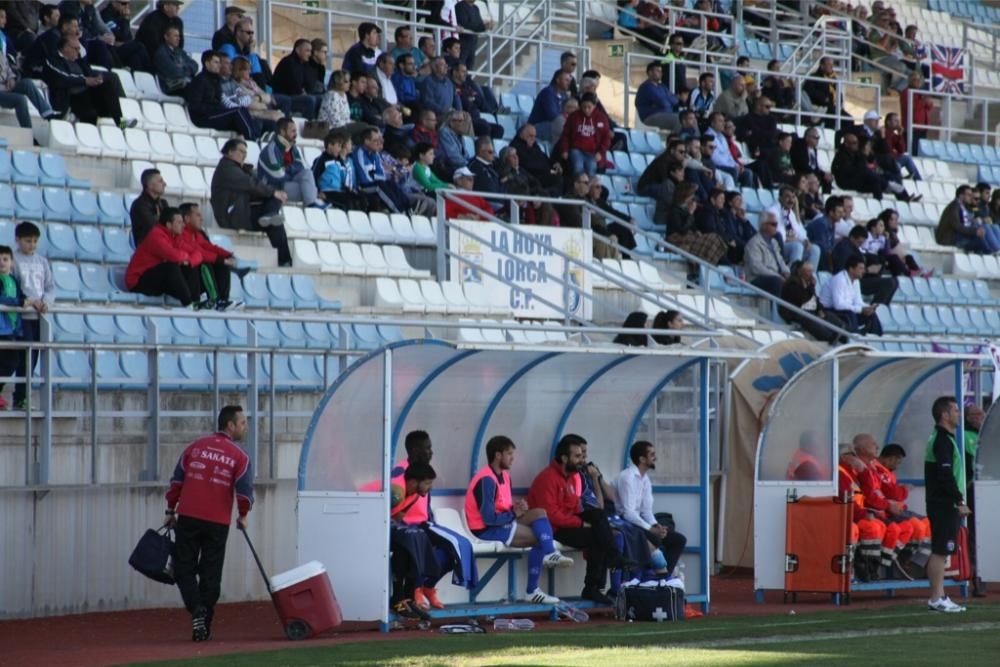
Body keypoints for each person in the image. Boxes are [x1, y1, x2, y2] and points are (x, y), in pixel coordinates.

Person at [164, 406, 254, 641]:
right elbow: (244, 493)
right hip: (217, 522)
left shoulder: (195, 447)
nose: (246, 427)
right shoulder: (240, 457)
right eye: (243, 423)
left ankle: (196, 611)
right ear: (230, 425)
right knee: (211, 574)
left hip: (189, 517)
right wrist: (243, 515)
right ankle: (203, 623)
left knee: (183, 568)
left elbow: (176, 482)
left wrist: (170, 509)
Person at [465, 435, 573, 605]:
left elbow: (503, 507)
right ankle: (533, 589)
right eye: (509, 454)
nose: (512, 458)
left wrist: (517, 508)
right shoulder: (486, 479)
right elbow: (488, 518)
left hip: (502, 521)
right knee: (540, 537)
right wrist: (514, 513)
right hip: (486, 529)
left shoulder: (505, 476)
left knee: (539, 512)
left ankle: (549, 554)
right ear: (498, 455)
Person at [527, 437, 616, 605]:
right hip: (554, 528)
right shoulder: (548, 478)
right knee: (598, 536)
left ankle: (598, 580)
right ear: (564, 458)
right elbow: (551, 515)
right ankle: (593, 587)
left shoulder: (571, 478)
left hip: (567, 523)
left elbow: (574, 507)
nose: (581, 461)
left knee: (598, 517)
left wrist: (582, 520)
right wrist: (580, 523)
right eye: (576, 456)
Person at [211, 139, 291, 267]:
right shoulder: (226, 168)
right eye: (241, 151)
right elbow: (251, 184)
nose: (244, 155)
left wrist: (273, 193)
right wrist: (273, 192)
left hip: (241, 212)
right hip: (232, 216)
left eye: (246, 153)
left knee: (275, 222)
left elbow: (255, 188)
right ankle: (270, 215)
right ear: (230, 151)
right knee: (273, 196)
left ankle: (285, 261)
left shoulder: (235, 168)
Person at [615, 441, 688, 579]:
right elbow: (628, 512)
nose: (656, 457)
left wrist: (656, 526)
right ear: (642, 459)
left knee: (678, 540)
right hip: (624, 523)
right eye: (652, 454)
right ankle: (651, 577)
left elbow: (646, 511)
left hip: (637, 521)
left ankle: (663, 577)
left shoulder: (645, 479)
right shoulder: (627, 477)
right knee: (655, 537)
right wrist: (650, 528)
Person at [924, 396, 970, 613]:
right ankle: (937, 597)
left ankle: (938, 596)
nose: (959, 414)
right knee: (941, 550)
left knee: (941, 549)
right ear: (945, 415)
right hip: (943, 504)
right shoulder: (941, 440)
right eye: (956, 411)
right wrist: (958, 499)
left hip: (942, 503)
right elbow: (945, 474)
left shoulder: (943, 438)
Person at [9, 222, 53, 410]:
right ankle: (17, 396)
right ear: (18, 240)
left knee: (32, 359)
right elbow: (14, 287)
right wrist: (29, 301)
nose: (32, 245)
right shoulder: (13, 260)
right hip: (21, 318)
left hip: (38, 318)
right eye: (28, 241)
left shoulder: (42, 261)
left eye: (35, 241)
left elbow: (50, 287)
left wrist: (46, 302)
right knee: (19, 359)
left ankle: (22, 398)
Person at [125, 207, 204, 307]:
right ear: (169, 225)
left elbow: (198, 253)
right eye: (179, 222)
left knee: (192, 266)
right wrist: (186, 258)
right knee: (171, 267)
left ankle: (196, 302)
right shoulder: (156, 236)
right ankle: (188, 304)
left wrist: (189, 261)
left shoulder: (175, 237)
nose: (183, 225)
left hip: (156, 280)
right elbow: (173, 256)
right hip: (138, 283)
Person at [43, 36, 126, 125]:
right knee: (90, 113)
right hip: (69, 98)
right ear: (65, 48)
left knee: (107, 85)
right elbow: (65, 77)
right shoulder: (53, 60)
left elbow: (88, 73)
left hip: (85, 94)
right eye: (76, 49)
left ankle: (122, 123)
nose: (78, 52)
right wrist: (85, 80)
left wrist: (97, 79)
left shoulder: (78, 60)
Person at [177, 203, 239, 311]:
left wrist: (229, 255)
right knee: (206, 264)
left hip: (196, 280)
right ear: (187, 218)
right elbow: (200, 253)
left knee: (221, 265)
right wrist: (224, 260)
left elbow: (210, 247)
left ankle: (223, 301)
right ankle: (214, 299)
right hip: (185, 278)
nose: (202, 218)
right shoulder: (181, 234)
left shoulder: (197, 234)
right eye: (198, 215)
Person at [186, 50, 261, 139]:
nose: (219, 65)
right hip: (203, 118)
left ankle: (256, 138)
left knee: (244, 112)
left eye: (219, 63)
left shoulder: (216, 80)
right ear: (207, 64)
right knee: (238, 111)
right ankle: (252, 139)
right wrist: (215, 109)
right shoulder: (199, 80)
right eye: (216, 62)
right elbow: (195, 106)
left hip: (215, 114)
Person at [779, 261, 847, 344]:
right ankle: (828, 337)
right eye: (808, 271)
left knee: (826, 314)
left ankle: (842, 333)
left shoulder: (807, 282)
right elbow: (802, 299)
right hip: (793, 312)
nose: (811, 274)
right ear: (800, 271)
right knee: (808, 318)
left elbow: (814, 299)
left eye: (812, 271)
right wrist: (811, 287)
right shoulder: (792, 283)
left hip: (806, 309)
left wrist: (819, 309)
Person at [257, 117, 319, 206]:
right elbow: (277, 176)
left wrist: (286, 168)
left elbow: (300, 167)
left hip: (287, 182)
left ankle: (311, 204)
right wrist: (291, 171)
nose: (296, 134)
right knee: (310, 190)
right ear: (282, 132)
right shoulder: (271, 150)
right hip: (273, 188)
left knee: (307, 173)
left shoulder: (292, 148)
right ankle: (312, 205)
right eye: (293, 131)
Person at [666, 182, 728, 270]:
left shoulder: (687, 208)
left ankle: (704, 267)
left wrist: (696, 231)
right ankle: (702, 268)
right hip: (676, 238)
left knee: (717, 240)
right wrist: (691, 213)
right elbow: (681, 229)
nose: (693, 197)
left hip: (689, 235)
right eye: (691, 195)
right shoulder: (674, 210)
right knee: (714, 238)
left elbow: (692, 226)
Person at [818, 256, 882, 335]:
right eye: (860, 268)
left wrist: (868, 307)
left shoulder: (856, 281)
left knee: (871, 315)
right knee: (850, 314)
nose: (863, 271)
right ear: (851, 269)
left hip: (844, 311)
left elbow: (858, 301)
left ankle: (877, 338)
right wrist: (861, 310)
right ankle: (853, 338)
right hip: (828, 311)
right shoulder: (839, 279)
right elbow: (838, 305)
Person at [961, 405, 986, 597]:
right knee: (975, 536)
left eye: (982, 413)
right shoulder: (966, 436)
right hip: (974, 492)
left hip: (987, 489)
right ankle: (977, 578)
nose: (981, 417)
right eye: (976, 414)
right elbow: (975, 462)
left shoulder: (987, 433)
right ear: (968, 418)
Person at [0, 243, 27, 410]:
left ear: (11, 261)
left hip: (11, 329)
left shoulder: (14, 280)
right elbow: (2, 298)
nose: (2, 262)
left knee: (13, 361)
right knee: (7, 361)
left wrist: (32, 302)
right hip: (1, 329)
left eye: (5, 259)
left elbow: (21, 296)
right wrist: (20, 302)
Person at [936, 185, 998, 254]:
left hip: (958, 235)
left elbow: (969, 222)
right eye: (969, 195)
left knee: (990, 228)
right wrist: (975, 231)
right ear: (961, 196)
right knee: (980, 238)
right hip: (950, 238)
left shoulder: (963, 206)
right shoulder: (954, 207)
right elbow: (957, 226)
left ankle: (993, 251)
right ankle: (992, 252)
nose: (971, 197)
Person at [769, 186, 821, 267]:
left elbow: (799, 230)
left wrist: (805, 240)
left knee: (815, 249)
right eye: (787, 197)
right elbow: (777, 235)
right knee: (797, 246)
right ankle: (794, 276)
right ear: (780, 198)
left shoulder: (790, 212)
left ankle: (809, 277)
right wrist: (791, 239)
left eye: (793, 197)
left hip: (791, 244)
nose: (791, 200)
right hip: (777, 247)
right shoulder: (772, 211)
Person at [271, 38, 322, 119]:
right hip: (284, 96)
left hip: (296, 94)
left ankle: (319, 125)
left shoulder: (303, 63)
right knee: (310, 100)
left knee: (321, 98)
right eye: (307, 51)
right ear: (298, 50)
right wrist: (303, 92)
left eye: (310, 51)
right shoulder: (288, 62)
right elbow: (294, 86)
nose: (310, 54)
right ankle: (308, 126)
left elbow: (309, 83)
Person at [743, 211, 790, 298]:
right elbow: (756, 268)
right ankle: (775, 310)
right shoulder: (754, 243)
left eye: (777, 224)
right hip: (757, 278)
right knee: (777, 282)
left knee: (796, 283)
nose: (776, 227)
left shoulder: (774, 242)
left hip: (775, 276)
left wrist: (787, 272)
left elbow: (780, 261)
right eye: (773, 224)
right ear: (764, 225)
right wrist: (777, 276)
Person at [509, 123, 562, 194]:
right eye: (530, 136)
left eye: (534, 136)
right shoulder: (516, 146)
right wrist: (548, 170)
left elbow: (544, 158)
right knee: (556, 179)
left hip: (543, 174)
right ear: (522, 135)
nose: (533, 139)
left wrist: (554, 164)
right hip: (531, 177)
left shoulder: (534, 145)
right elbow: (527, 164)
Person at [635, 62, 680, 131]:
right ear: (650, 72)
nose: (661, 73)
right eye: (658, 71)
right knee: (679, 119)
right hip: (650, 117)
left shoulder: (662, 86)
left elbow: (675, 100)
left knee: (689, 117)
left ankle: (694, 141)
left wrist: (666, 99)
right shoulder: (646, 87)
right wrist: (668, 98)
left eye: (661, 71)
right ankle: (677, 141)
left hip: (666, 115)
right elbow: (663, 103)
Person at [527, 70, 571, 141]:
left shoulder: (564, 95)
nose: (569, 83)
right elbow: (552, 115)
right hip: (537, 126)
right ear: (558, 80)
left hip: (553, 125)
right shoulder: (548, 93)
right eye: (566, 80)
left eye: (569, 80)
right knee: (561, 126)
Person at [153, 25, 197, 95]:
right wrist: (186, 69)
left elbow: (195, 65)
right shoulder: (161, 53)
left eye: (179, 36)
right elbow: (175, 72)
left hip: (183, 84)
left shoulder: (180, 52)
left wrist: (183, 68)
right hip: (170, 88)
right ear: (166, 37)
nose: (178, 38)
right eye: (175, 36)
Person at [130, 168, 168, 245]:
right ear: (150, 185)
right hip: (148, 251)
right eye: (160, 181)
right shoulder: (139, 205)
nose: (165, 184)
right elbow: (154, 227)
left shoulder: (163, 203)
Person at [791, 126, 834, 194]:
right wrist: (812, 174)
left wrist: (824, 174)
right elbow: (802, 164)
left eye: (818, 138)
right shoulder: (800, 146)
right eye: (815, 138)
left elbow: (815, 167)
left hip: (813, 172)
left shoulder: (814, 149)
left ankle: (825, 198)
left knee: (827, 178)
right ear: (807, 137)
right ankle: (811, 200)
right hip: (802, 172)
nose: (817, 140)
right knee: (814, 181)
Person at [454, 0, 489, 70]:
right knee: (460, 67)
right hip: (463, 43)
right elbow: (464, 24)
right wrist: (483, 26)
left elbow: (479, 23)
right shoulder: (460, 6)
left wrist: (484, 26)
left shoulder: (476, 8)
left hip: (473, 43)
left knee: (469, 69)